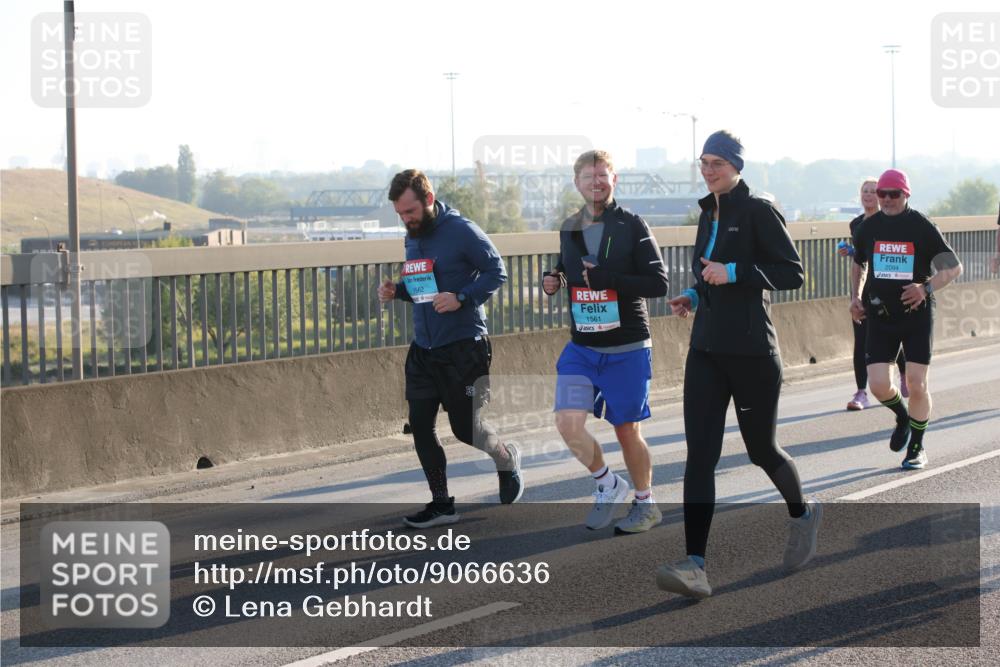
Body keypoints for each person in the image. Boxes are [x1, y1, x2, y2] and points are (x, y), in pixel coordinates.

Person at [656, 130, 820, 600]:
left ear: (736, 167)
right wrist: (694, 295)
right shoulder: (708, 212)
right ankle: (695, 565)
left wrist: (734, 272)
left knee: (761, 450)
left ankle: (803, 512)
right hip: (706, 351)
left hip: (752, 354)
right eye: (704, 162)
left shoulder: (758, 210)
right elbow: (707, 274)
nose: (709, 170)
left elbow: (792, 273)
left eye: (718, 163)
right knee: (699, 457)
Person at [378, 169, 523, 528]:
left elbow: (497, 271)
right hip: (424, 348)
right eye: (400, 214)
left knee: (464, 428)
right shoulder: (413, 236)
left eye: (410, 211)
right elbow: (424, 288)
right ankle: (442, 503)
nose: (406, 220)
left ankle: (505, 457)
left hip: (463, 347)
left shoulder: (461, 230)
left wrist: (461, 297)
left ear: (428, 199)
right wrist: (398, 291)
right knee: (420, 424)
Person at [541, 149, 669, 534]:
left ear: (615, 180)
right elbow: (567, 267)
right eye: (588, 177)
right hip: (583, 347)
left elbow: (658, 283)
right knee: (567, 422)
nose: (595, 183)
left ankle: (646, 504)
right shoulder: (569, 227)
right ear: (576, 182)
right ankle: (607, 482)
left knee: (626, 429)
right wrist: (554, 279)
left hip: (627, 346)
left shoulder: (633, 224)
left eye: (602, 176)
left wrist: (609, 279)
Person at [850, 169, 963, 470]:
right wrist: (855, 297)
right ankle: (903, 416)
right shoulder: (868, 227)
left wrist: (924, 288)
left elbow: (953, 268)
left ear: (906, 194)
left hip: (916, 316)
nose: (886, 199)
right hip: (880, 315)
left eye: (893, 194)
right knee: (878, 385)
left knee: (915, 383)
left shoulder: (922, 226)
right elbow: (858, 263)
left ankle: (917, 447)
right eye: (882, 194)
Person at [840, 178, 907, 410]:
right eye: (864, 191)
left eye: (872, 191)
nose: (868, 195)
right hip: (863, 287)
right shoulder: (856, 224)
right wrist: (851, 251)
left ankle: (904, 374)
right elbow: (862, 255)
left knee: (892, 334)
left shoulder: (890, 221)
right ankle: (861, 392)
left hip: (887, 286)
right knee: (861, 339)